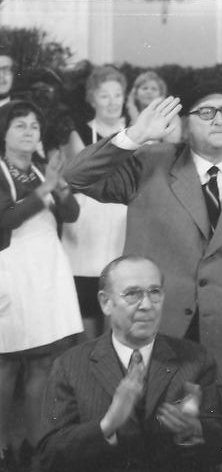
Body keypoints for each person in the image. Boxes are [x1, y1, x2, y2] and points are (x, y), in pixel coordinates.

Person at [63, 85, 222, 439]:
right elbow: (76, 176)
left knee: (217, 445)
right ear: (185, 123)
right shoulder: (150, 163)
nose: (219, 119)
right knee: (142, 444)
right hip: (155, 335)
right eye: (206, 112)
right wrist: (133, 136)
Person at [37, 256, 222, 472]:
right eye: (132, 294)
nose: (147, 305)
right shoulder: (70, 365)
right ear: (105, 303)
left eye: (154, 292)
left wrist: (196, 430)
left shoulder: (196, 359)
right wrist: (107, 424)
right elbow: (48, 456)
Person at [0, 101, 83, 470]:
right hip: (11, 271)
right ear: (3, 133)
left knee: (42, 360)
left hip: (46, 272)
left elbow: (72, 214)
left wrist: (59, 188)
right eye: (20, 125)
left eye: (34, 125)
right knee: (5, 362)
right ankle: (1, 441)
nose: (29, 131)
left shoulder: (39, 169)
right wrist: (46, 188)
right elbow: (6, 219)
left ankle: (34, 443)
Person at [61, 65, 129, 339]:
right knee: (87, 305)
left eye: (117, 95)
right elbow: (81, 177)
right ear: (92, 99)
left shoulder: (136, 133)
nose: (112, 102)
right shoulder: (78, 133)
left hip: (122, 223)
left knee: (119, 301)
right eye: (104, 95)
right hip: (88, 228)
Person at [126, 70, 182, 144]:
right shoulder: (125, 115)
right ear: (135, 94)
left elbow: (172, 144)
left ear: (161, 95)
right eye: (145, 88)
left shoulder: (171, 116)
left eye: (154, 89)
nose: (149, 92)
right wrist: (132, 108)